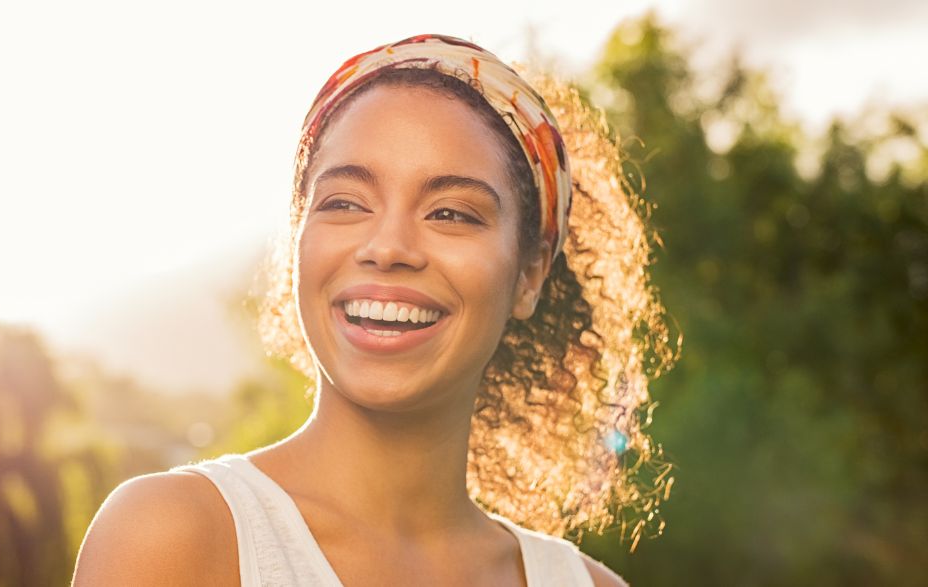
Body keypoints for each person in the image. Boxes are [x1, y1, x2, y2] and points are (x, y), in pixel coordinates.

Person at [72, 34, 675, 586]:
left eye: (451, 213)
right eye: (344, 202)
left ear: (530, 274)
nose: (387, 248)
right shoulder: (172, 539)